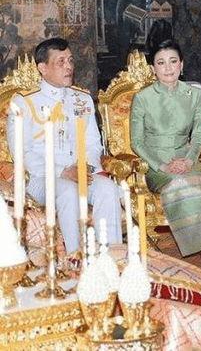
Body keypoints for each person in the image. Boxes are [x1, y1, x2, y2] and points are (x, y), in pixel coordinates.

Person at [130, 39, 201, 271]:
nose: (168, 68)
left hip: (187, 158)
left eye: (173, 61)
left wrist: (189, 160)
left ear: (182, 65)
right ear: (153, 68)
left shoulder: (194, 95)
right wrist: (161, 165)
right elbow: (137, 142)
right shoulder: (143, 98)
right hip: (156, 165)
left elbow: (198, 136)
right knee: (185, 184)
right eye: (161, 63)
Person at [7, 38, 123, 253]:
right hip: (41, 178)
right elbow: (23, 153)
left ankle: (112, 256)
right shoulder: (24, 103)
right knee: (68, 190)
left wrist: (85, 167)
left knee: (107, 188)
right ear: (43, 68)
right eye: (60, 62)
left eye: (70, 60)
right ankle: (74, 257)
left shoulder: (82, 99)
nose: (69, 66)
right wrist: (62, 171)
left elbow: (93, 143)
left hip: (81, 171)